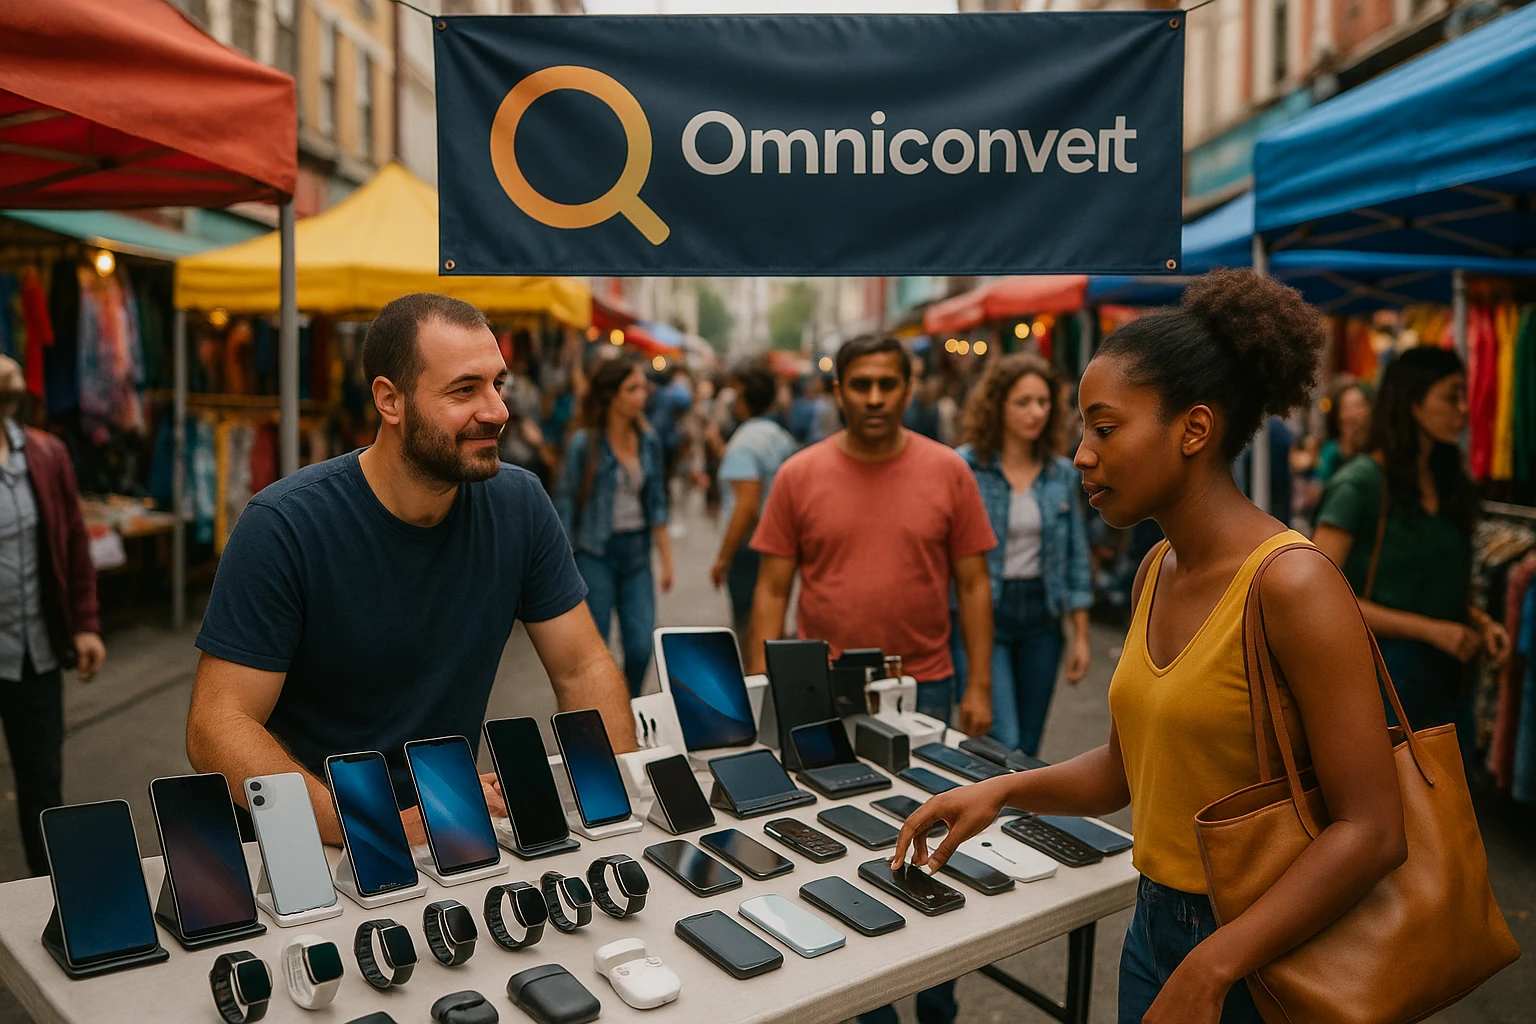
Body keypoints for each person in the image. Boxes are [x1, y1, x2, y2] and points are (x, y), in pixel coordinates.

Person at [891, 270, 1410, 1024]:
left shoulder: (1294, 585)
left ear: (1193, 430)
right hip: (1156, 930)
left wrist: (1214, 967)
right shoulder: (1155, 569)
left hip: (1268, 949)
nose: (1080, 455)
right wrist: (1000, 790)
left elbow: (1373, 830)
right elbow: (1122, 769)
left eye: (1104, 428)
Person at [187, 294, 636, 844]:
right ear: (389, 400)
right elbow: (218, 727)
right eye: (464, 390)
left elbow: (583, 667)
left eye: (499, 384)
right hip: (311, 843)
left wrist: (618, 810)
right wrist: (376, 829)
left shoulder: (519, 502)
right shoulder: (285, 524)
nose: (496, 410)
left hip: (452, 827)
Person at [746, 334, 996, 1024]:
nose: (876, 398)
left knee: (941, 845)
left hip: (930, 689)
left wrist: (979, 688)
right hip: (820, 700)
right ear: (839, 391)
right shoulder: (799, 474)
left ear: (909, 388)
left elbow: (974, 585)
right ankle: (871, 1003)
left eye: (889, 384)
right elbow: (771, 590)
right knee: (837, 844)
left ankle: (939, 996)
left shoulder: (948, 470)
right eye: (862, 385)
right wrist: (755, 687)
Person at [1313, 347, 1507, 732]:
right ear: (1413, 402)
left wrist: (1479, 623)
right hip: (1384, 683)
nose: (1463, 410)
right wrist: (1432, 630)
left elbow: (1427, 582)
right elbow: (1319, 598)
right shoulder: (1361, 484)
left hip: (1449, 681)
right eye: (1450, 396)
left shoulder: (1448, 484)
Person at [955, 354, 1093, 756]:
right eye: (1023, 402)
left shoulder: (1061, 474)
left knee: (1028, 748)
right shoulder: (965, 467)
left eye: (1043, 401)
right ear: (997, 405)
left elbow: (1075, 556)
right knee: (1001, 740)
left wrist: (1080, 635)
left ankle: (1015, 820)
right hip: (985, 613)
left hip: (1041, 616)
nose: (1036, 412)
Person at [0, 356, 105, 877]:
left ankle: (48, 895)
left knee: (42, 785)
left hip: (33, 652)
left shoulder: (44, 453)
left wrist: (85, 623)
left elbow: (72, 543)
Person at [555, 356, 674, 697]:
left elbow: (657, 503)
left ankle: (628, 703)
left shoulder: (647, 441)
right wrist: (559, 565)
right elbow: (564, 503)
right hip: (595, 552)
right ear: (610, 396)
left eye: (643, 388)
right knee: (596, 647)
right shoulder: (585, 443)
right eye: (632, 389)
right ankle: (600, 714)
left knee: (640, 646)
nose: (642, 396)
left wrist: (666, 558)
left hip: (636, 553)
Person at [709, 362, 795, 631]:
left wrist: (723, 557)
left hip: (749, 546)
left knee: (750, 624)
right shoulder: (780, 436)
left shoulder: (744, 442)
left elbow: (745, 505)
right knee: (771, 619)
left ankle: (754, 673)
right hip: (778, 542)